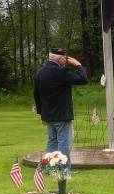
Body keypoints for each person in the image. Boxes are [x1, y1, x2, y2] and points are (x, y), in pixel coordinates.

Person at [33, 48, 88, 176]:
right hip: (62, 114)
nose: (66, 60)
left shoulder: (40, 72)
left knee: (52, 141)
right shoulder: (60, 72)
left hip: (48, 115)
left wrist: (41, 114)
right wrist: (77, 64)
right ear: (60, 59)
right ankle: (64, 169)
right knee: (64, 142)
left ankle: (47, 168)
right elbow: (83, 79)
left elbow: (36, 94)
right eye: (65, 58)